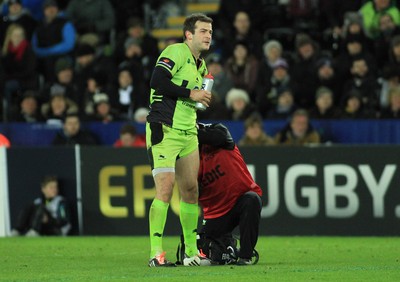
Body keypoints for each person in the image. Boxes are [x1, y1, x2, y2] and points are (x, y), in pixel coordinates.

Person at [145, 13, 213, 267]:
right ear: (189, 34)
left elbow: (193, 100)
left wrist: (201, 99)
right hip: (164, 127)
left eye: (210, 32)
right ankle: (156, 253)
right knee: (165, 188)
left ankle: (191, 253)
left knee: (190, 191)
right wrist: (191, 92)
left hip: (188, 131)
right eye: (203, 31)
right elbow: (157, 80)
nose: (208, 35)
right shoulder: (174, 51)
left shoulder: (201, 65)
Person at [197, 122, 263, 265]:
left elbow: (219, 138)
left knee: (252, 199)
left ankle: (245, 256)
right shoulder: (190, 157)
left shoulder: (218, 131)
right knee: (203, 247)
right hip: (216, 213)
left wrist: (189, 134)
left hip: (238, 201)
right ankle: (230, 248)